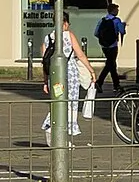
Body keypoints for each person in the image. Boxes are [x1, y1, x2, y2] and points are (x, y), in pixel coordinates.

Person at [41, 16, 94, 144]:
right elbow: (80, 54)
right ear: (64, 23)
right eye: (67, 23)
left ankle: (54, 132)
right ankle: (57, 136)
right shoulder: (68, 35)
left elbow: (45, 62)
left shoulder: (47, 38)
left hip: (54, 78)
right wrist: (91, 70)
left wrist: (45, 81)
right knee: (70, 104)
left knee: (58, 102)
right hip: (70, 76)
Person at [94, 9, 126, 92]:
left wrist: (104, 40)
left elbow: (96, 33)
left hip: (104, 46)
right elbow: (122, 31)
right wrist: (123, 26)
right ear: (113, 11)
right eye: (117, 9)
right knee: (110, 64)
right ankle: (100, 82)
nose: (118, 11)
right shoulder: (116, 20)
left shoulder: (102, 20)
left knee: (112, 64)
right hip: (113, 45)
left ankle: (116, 84)